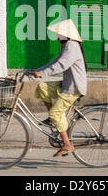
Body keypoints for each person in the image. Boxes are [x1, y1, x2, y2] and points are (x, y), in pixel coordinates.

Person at [32, 19, 87, 157]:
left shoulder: (72, 46)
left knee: (56, 113)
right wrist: (36, 71)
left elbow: (61, 65)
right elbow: (54, 62)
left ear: (66, 34)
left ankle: (67, 144)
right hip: (67, 84)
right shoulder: (67, 45)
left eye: (59, 34)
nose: (57, 37)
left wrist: (42, 73)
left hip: (74, 88)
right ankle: (53, 120)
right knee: (42, 87)